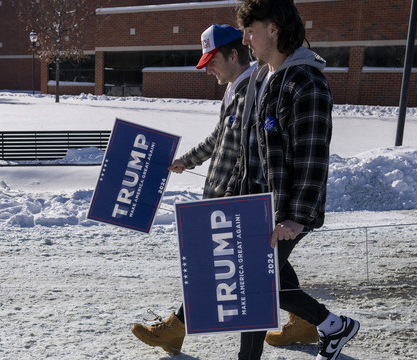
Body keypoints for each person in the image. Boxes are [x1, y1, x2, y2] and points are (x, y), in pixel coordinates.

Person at [229, 0, 360, 359]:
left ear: (274, 29)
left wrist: (297, 216)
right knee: (268, 279)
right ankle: (334, 326)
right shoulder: (262, 75)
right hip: (256, 204)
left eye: (250, 30)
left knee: (254, 284)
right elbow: (253, 146)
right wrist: (233, 195)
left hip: (285, 209)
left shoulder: (306, 81)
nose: (245, 40)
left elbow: (313, 154)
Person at [129, 23, 262, 356]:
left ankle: (175, 329)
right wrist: (185, 161)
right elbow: (219, 139)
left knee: (212, 265)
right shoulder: (234, 90)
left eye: (212, 60)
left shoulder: (254, 92)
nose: (208, 69)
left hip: (235, 201)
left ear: (234, 54)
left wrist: (227, 200)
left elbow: (251, 155)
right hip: (223, 198)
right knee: (265, 271)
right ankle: (314, 320)